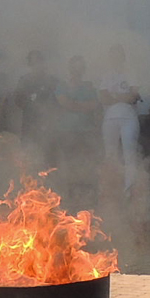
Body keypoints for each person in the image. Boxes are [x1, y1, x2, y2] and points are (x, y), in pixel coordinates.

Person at [97, 45, 143, 198]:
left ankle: (129, 191)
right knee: (110, 154)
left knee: (129, 154)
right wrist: (123, 97)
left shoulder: (132, 73)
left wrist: (115, 97)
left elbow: (133, 96)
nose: (115, 58)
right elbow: (103, 97)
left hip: (129, 118)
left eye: (118, 55)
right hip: (109, 118)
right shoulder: (106, 75)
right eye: (113, 55)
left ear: (123, 57)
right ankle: (110, 190)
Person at [55, 54, 102, 201]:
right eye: (75, 66)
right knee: (69, 163)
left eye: (80, 66)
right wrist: (83, 106)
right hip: (67, 131)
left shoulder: (89, 87)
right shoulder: (62, 86)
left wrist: (75, 104)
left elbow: (94, 105)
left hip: (86, 131)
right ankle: (70, 195)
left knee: (87, 162)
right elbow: (64, 103)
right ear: (70, 68)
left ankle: (87, 195)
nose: (78, 69)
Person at [10, 49, 59, 160]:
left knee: (48, 153)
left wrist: (48, 113)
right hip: (29, 122)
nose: (36, 64)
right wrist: (29, 106)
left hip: (48, 124)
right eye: (33, 61)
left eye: (39, 60)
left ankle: (48, 176)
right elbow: (17, 100)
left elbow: (59, 102)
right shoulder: (24, 80)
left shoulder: (52, 81)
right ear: (29, 64)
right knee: (28, 153)